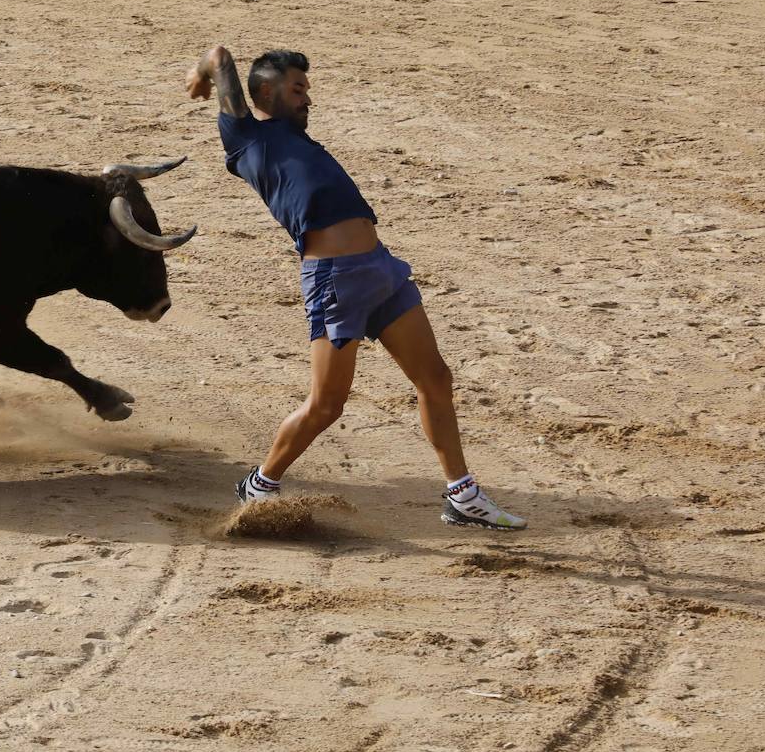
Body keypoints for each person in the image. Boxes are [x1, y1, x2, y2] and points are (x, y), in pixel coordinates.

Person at [185, 46, 526, 530]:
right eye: (297, 89)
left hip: (381, 269)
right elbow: (218, 56)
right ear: (264, 92)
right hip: (335, 280)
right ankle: (259, 484)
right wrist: (201, 76)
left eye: (308, 89)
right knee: (327, 404)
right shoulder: (246, 138)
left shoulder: (293, 138)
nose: (308, 98)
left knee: (435, 379)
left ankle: (462, 495)